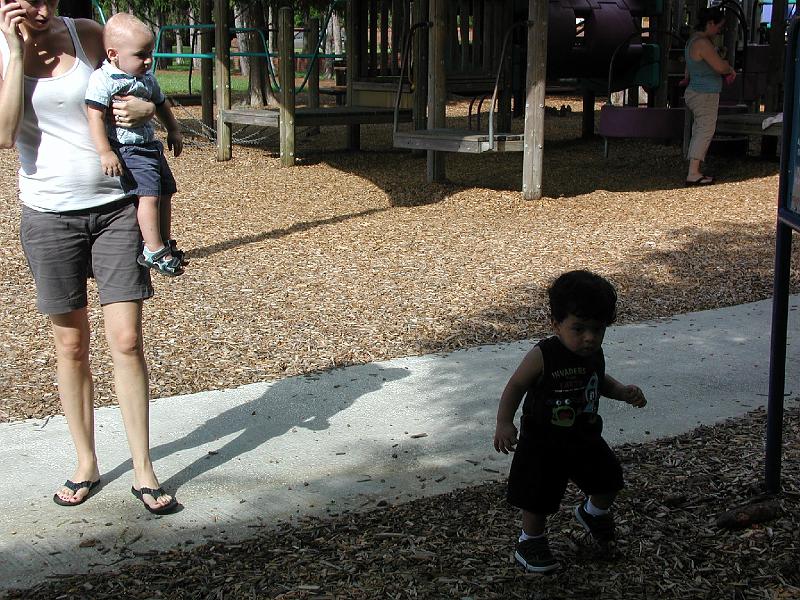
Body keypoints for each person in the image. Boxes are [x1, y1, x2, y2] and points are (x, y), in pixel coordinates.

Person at [0, 0, 177, 514]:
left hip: (115, 208)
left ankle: (143, 468)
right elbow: (4, 134)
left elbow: (135, 69)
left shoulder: (84, 32)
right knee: (72, 345)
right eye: (26, 0)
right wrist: (15, 53)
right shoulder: (2, 49)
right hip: (49, 215)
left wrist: (148, 111)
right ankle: (86, 462)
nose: (39, 9)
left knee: (126, 338)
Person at [493, 270, 647, 573]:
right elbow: (515, 387)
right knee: (537, 496)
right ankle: (530, 540)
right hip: (543, 443)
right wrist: (504, 423)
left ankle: (592, 513)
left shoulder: (592, 352)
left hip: (584, 437)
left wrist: (621, 391)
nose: (589, 338)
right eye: (579, 328)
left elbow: (598, 380)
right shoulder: (543, 355)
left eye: (597, 329)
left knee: (609, 479)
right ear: (556, 324)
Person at [85, 12, 184, 277]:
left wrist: (173, 130)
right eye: (141, 54)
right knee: (148, 195)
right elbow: (94, 115)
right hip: (128, 150)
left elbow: (161, 104)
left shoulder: (147, 79)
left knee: (165, 192)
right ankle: (152, 249)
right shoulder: (104, 80)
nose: (149, 60)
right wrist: (105, 151)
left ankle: (163, 240)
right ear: (114, 54)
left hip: (151, 146)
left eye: (150, 53)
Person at [682, 6, 736, 186]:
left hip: (696, 91)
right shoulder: (703, 43)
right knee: (705, 130)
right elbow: (719, 67)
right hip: (704, 94)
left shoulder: (692, 40)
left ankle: (694, 168)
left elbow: (688, 69)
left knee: (699, 129)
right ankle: (693, 172)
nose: (719, 30)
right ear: (710, 23)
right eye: (718, 26)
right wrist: (729, 68)